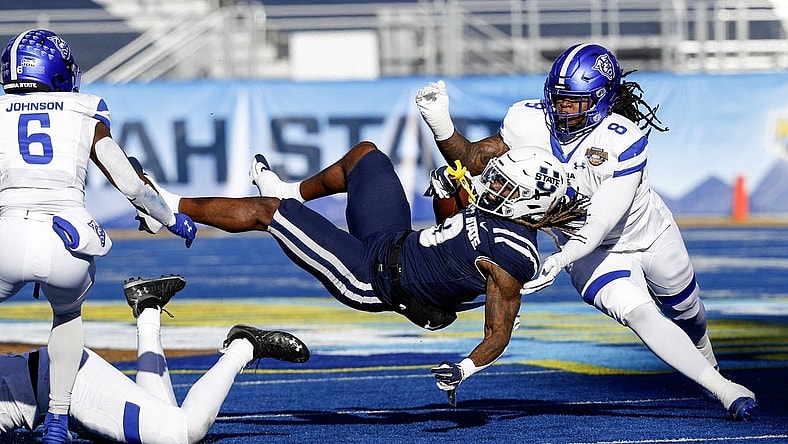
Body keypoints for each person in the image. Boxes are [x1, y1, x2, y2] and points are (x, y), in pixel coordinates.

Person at [413, 43, 758, 421]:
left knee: (690, 313)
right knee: (641, 315)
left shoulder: (620, 139)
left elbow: (601, 220)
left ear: (601, 98)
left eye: (574, 102)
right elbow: (474, 161)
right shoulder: (528, 121)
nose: (563, 110)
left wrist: (560, 258)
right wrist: (440, 123)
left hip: (646, 235)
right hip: (594, 258)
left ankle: (708, 362)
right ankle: (723, 389)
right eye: (558, 100)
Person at [134, 141, 587, 403]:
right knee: (367, 155)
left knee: (269, 213)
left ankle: (163, 206)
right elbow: (452, 224)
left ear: (528, 204)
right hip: (393, 241)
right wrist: (446, 190)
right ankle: (290, 188)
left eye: (505, 186)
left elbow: (498, 332)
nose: (494, 186)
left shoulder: (512, 257)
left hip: (371, 280)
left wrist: (464, 368)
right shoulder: (499, 217)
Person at [0, 29, 197, 442]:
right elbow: (130, 183)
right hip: (66, 239)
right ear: (56, 73)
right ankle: (55, 423)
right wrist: (171, 218)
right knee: (67, 316)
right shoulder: (83, 109)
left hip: (7, 233)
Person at [0, 274, 310, 443]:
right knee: (164, 418)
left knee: (178, 434)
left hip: (65, 383)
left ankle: (244, 346)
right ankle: (147, 307)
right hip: (49, 382)